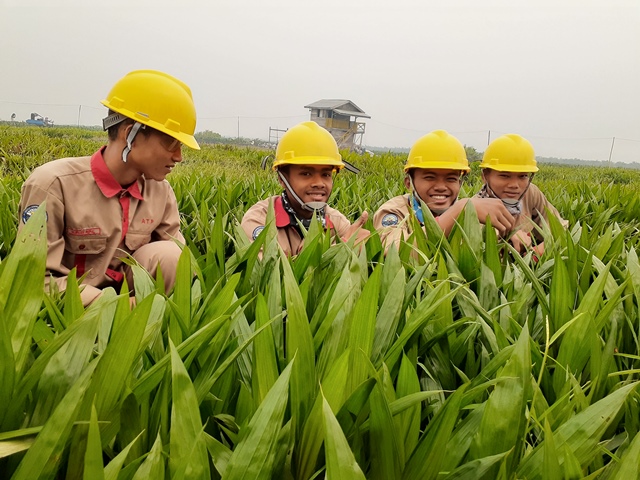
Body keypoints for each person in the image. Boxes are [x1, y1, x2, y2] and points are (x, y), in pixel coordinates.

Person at [18, 69, 199, 306]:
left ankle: (149, 335)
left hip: (134, 310)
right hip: (69, 312)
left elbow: (183, 270)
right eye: (171, 143)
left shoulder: (160, 192)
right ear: (130, 134)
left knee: (173, 256)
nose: (178, 157)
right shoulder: (53, 184)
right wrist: (116, 308)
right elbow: (35, 278)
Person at [373, 130, 516, 251]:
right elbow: (396, 254)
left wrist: (513, 237)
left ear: (460, 184)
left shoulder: (473, 215)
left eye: (450, 179)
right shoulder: (396, 211)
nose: (441, 187)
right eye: (430, 177)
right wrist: (459, 211)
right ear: (409, 183)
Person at [241, 121, 369, 256]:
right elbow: (266, 272)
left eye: (326, 174)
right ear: (282, 179)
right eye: (306, 174)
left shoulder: (336, 221)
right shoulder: (260, 220)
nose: (319, 183)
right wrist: (339, 251)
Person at [476, 133, 568, 255]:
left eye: (523, 176)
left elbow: (559, 228)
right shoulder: (473, 208)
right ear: (485, 176)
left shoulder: (531, 193)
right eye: (504, 176)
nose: (514, 185)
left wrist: (538, 252)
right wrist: (506, 236)